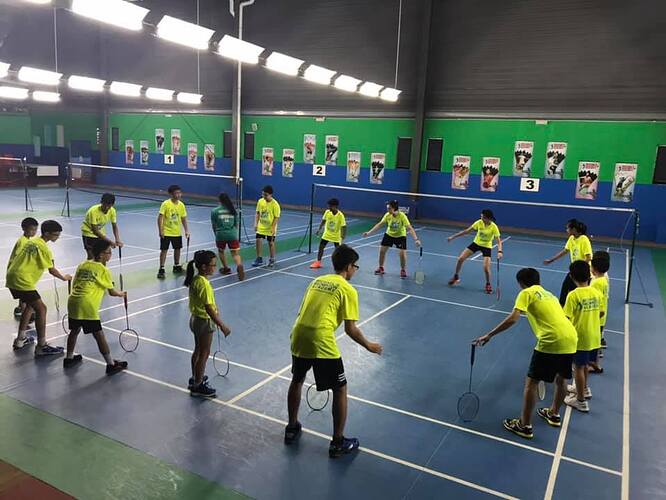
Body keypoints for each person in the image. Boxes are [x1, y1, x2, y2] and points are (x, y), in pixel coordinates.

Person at [285, 245, 383, 457]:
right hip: (321, 339)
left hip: (299, 333)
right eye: (355, 266)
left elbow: (302, 311)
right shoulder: (348, 289)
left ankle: (291, 428)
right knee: (340, 389)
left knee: (297, 379)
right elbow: (350, 329)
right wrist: (370, 346)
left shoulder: (317, 280)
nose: (355, 270)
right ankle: (338, 442)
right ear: (348, 267)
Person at [473, 268, 577, 439]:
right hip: (571, 337)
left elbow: (514, 318)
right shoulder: (549, 294)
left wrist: (489, 334)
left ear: (521, 283)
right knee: (561, 379)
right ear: (539, 280)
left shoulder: (526, 293)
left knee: (532, 383)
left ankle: (525, 425)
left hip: (550, 340)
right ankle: (554, 414)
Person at [6, 220, 72, 355]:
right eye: (55, 235)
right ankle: (41, 346)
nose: (57, 237)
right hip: (22, 280)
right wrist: (64, 278)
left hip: (13, 277)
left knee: (31, 306)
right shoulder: (43, 247)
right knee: (42, 309)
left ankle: (20, 339)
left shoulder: (32, 241)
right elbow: (51, 270)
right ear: (47, 233)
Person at [63, 239, 129, 375]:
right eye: (108, 252)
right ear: (100, 255)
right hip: (87, 305)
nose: (110, 254)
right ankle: (111, 364)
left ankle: (69, 358)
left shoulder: (82, 265)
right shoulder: (104, 270)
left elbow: (75, 283)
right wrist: (121, 294)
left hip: (73, 301)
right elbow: (112, 292)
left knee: (74, 331)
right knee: (99, 335)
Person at [184, 250, 232, 398]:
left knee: (198, 350)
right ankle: (198, 385)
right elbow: (209, 308)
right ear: (204, 267)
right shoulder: (204, 284)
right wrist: (221, 324)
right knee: (204, 353)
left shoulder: (196, 279)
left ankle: (195, 378)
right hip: (204, 322)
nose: (215, 267)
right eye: (212, 265)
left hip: (195, 320)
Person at [563, 261, 603, 412]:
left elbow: (566, 318)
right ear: (589, 275)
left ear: (572, 277)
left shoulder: (573, 295)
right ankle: (584, 389)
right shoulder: (596, 292)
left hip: (580, 337)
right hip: (594, 336)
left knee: (578, 368)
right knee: (585, 364)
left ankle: (580, 401)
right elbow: (601, 313)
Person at [447, 209, 503, 293]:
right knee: (460, 259)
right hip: (476, 243)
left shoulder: (494, 227)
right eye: (481, 216)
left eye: (483, 217)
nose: (481, 218)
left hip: (487, 247)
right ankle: (456, 277)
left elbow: (498, 241)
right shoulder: (478, 223)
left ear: (488, 218)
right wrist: (453, 237)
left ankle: (488, 284)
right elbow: (466, 231)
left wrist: (500, 251)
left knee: (486, 268)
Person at [362, 200, 421, 278]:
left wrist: (416, 239)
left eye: (389, 208)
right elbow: (380, 224)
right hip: (389, 235)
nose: (387, 209)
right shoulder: (387, 215)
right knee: (382, 251)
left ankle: (403, 270)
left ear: (394, 208)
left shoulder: (402, 216)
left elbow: (409, 228)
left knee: (402, 254)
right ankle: (381, 268)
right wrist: (369, 233)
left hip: (400, 236)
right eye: (387, 208)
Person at [543, 219, 592, 305]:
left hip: (583, 271)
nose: (566, 230)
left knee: (579, 291)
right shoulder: (571, 239)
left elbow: (589, 257)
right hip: (574, 270)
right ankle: (562, 305)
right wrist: (551, 260)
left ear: (573, 229)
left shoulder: (584, 239)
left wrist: (579, 268)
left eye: (567, 228)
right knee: (566, 286)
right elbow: (565, 251)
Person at [157, 184, 190, 279]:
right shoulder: (165, 204)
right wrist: (161, 230)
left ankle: (176, 266)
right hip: (166, 232)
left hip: (176, 232)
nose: (179, 195)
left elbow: (183, 218)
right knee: (164, 250)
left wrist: (186, 230)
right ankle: (161, 269)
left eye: (180, 193)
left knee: (177, 249)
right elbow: (160, 218)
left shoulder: (181, 205)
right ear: (171, 194)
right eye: (176, 193)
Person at [8, 217, 39, 319]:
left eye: (35, 229)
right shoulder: (23, 242)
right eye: (31, 229)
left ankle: (20, 308)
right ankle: (24, 310)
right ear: (24, 228)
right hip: (18, 272)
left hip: (17, 272)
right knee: (25, 292)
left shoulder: (26, 240)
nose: (33, 232)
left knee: (23, 293)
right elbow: (20, 256)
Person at [211, 192, 245, 281]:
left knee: (221, 251)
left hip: (220, 234)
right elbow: (236, 225)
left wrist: (216, 234)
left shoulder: (215, 211)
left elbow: (214, 225)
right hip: (232, 234)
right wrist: (234, 233)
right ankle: (239, 265)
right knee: (235, 253)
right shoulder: (233, 210)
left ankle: (226, 268)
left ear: (219, 200)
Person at [81, 193, 123, 260]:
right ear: (101, 202)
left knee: (103, 256)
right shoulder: (93, 211)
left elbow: (114, 226)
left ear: (112, 205)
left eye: (109, 205)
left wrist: (117, 239)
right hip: (89, 234)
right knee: (91, 257)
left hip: (101, 233)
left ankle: (102, 270)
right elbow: (95, 230)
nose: (106, 207)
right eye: (104, 205)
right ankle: (88, 269)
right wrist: (109, 241)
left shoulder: (112, 211)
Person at [310, 198, 346, 270]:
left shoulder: (340, 215)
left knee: (338, 252)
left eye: (330, 206)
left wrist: (343, 236)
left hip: (336, 236)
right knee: (321, 247)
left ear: (335, 206)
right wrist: (319, 229)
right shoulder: (327, 212)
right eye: (329, 206)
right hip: (327, 234)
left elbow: (344, 226)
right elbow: (323, 221)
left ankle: (340, 265)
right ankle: (318, 262)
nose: (329, 207)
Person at [589, 251, 610, 373]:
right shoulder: (603, 280)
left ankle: (591, 364)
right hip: (602, 317)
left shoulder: (596, 283)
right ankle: (596, 364)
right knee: (597, 342)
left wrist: (593, 318)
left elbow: (596, 301)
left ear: (594, 268)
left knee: (593, 344)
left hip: (597, 317)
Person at [252, 185, 280, 268]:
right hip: (261, 225)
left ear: (271, 194)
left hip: (270, 226)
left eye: (266, 195)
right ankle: (259, 258)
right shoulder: (260, 201)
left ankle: (272, 259)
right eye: (263, 194)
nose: (264, 196)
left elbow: (276, 217)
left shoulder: (275, 204)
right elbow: (257, 213)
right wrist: (255, 223)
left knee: (271, 243)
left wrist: (273, 228)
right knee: (258, 240)